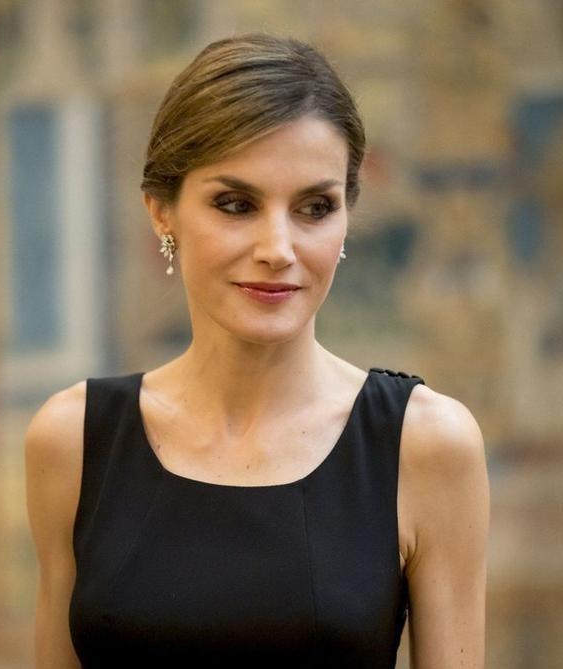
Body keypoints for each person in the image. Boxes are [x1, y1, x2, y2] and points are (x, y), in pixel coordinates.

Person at [25, 32, 490, 668]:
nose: (278, 249)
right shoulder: (73, 439)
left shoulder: (427, 444)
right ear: (161, 212)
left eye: (315, 207)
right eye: (236, 204)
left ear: (347, 218)